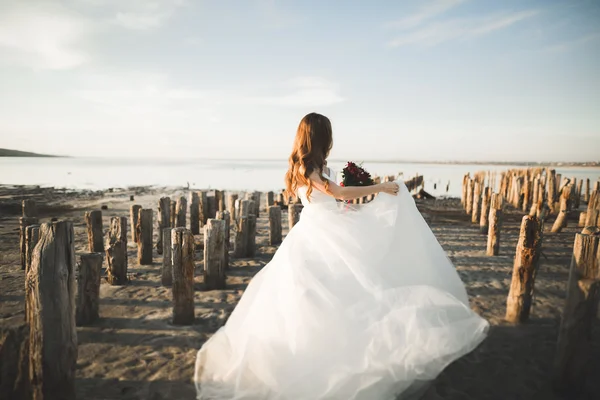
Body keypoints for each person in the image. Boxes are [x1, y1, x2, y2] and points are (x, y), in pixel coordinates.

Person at [195, 112, 489, 399]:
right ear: (320, 137)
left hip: (333, 224)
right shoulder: (305, 168)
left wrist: (361, 199)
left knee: (345, 283)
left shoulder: (317, 166)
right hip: (317, 232)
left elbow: (336, 198)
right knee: (313, 291)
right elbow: (336, 193)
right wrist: (380, 188)